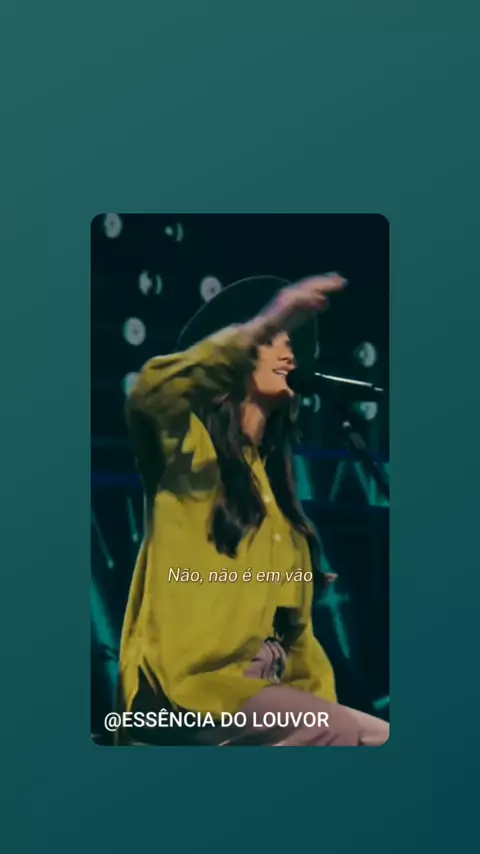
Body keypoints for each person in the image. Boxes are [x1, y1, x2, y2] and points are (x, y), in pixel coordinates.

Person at [116, 273, 389, 746]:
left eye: (290, 342)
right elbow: (151, 391)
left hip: (263, 697)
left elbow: (298, 644)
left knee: (380, 738)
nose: (287, 352)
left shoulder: (280, 506)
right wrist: (267, 321)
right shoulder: (188, 455)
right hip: (188, 695)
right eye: (272, 342)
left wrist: (321, 702)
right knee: (335, 730)